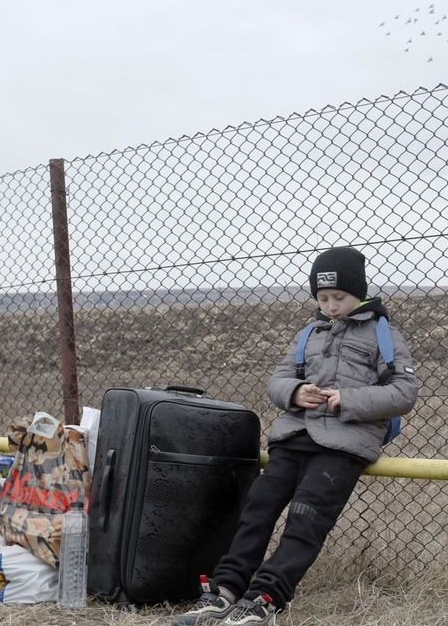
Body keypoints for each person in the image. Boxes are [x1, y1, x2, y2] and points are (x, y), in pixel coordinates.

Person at [173, 246, 419, 626]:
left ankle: (265, 599)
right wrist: (294, 393)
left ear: (360, 293)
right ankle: (224, 590)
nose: (331, 306)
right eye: (323, 298)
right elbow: (279, 379)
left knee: (306, 517)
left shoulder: (384, 336)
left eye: (339, 297)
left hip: (344, 444)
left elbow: (404, 393)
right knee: (257, 508)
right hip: (294, 436)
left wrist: (349, 399)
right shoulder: (310, 334)